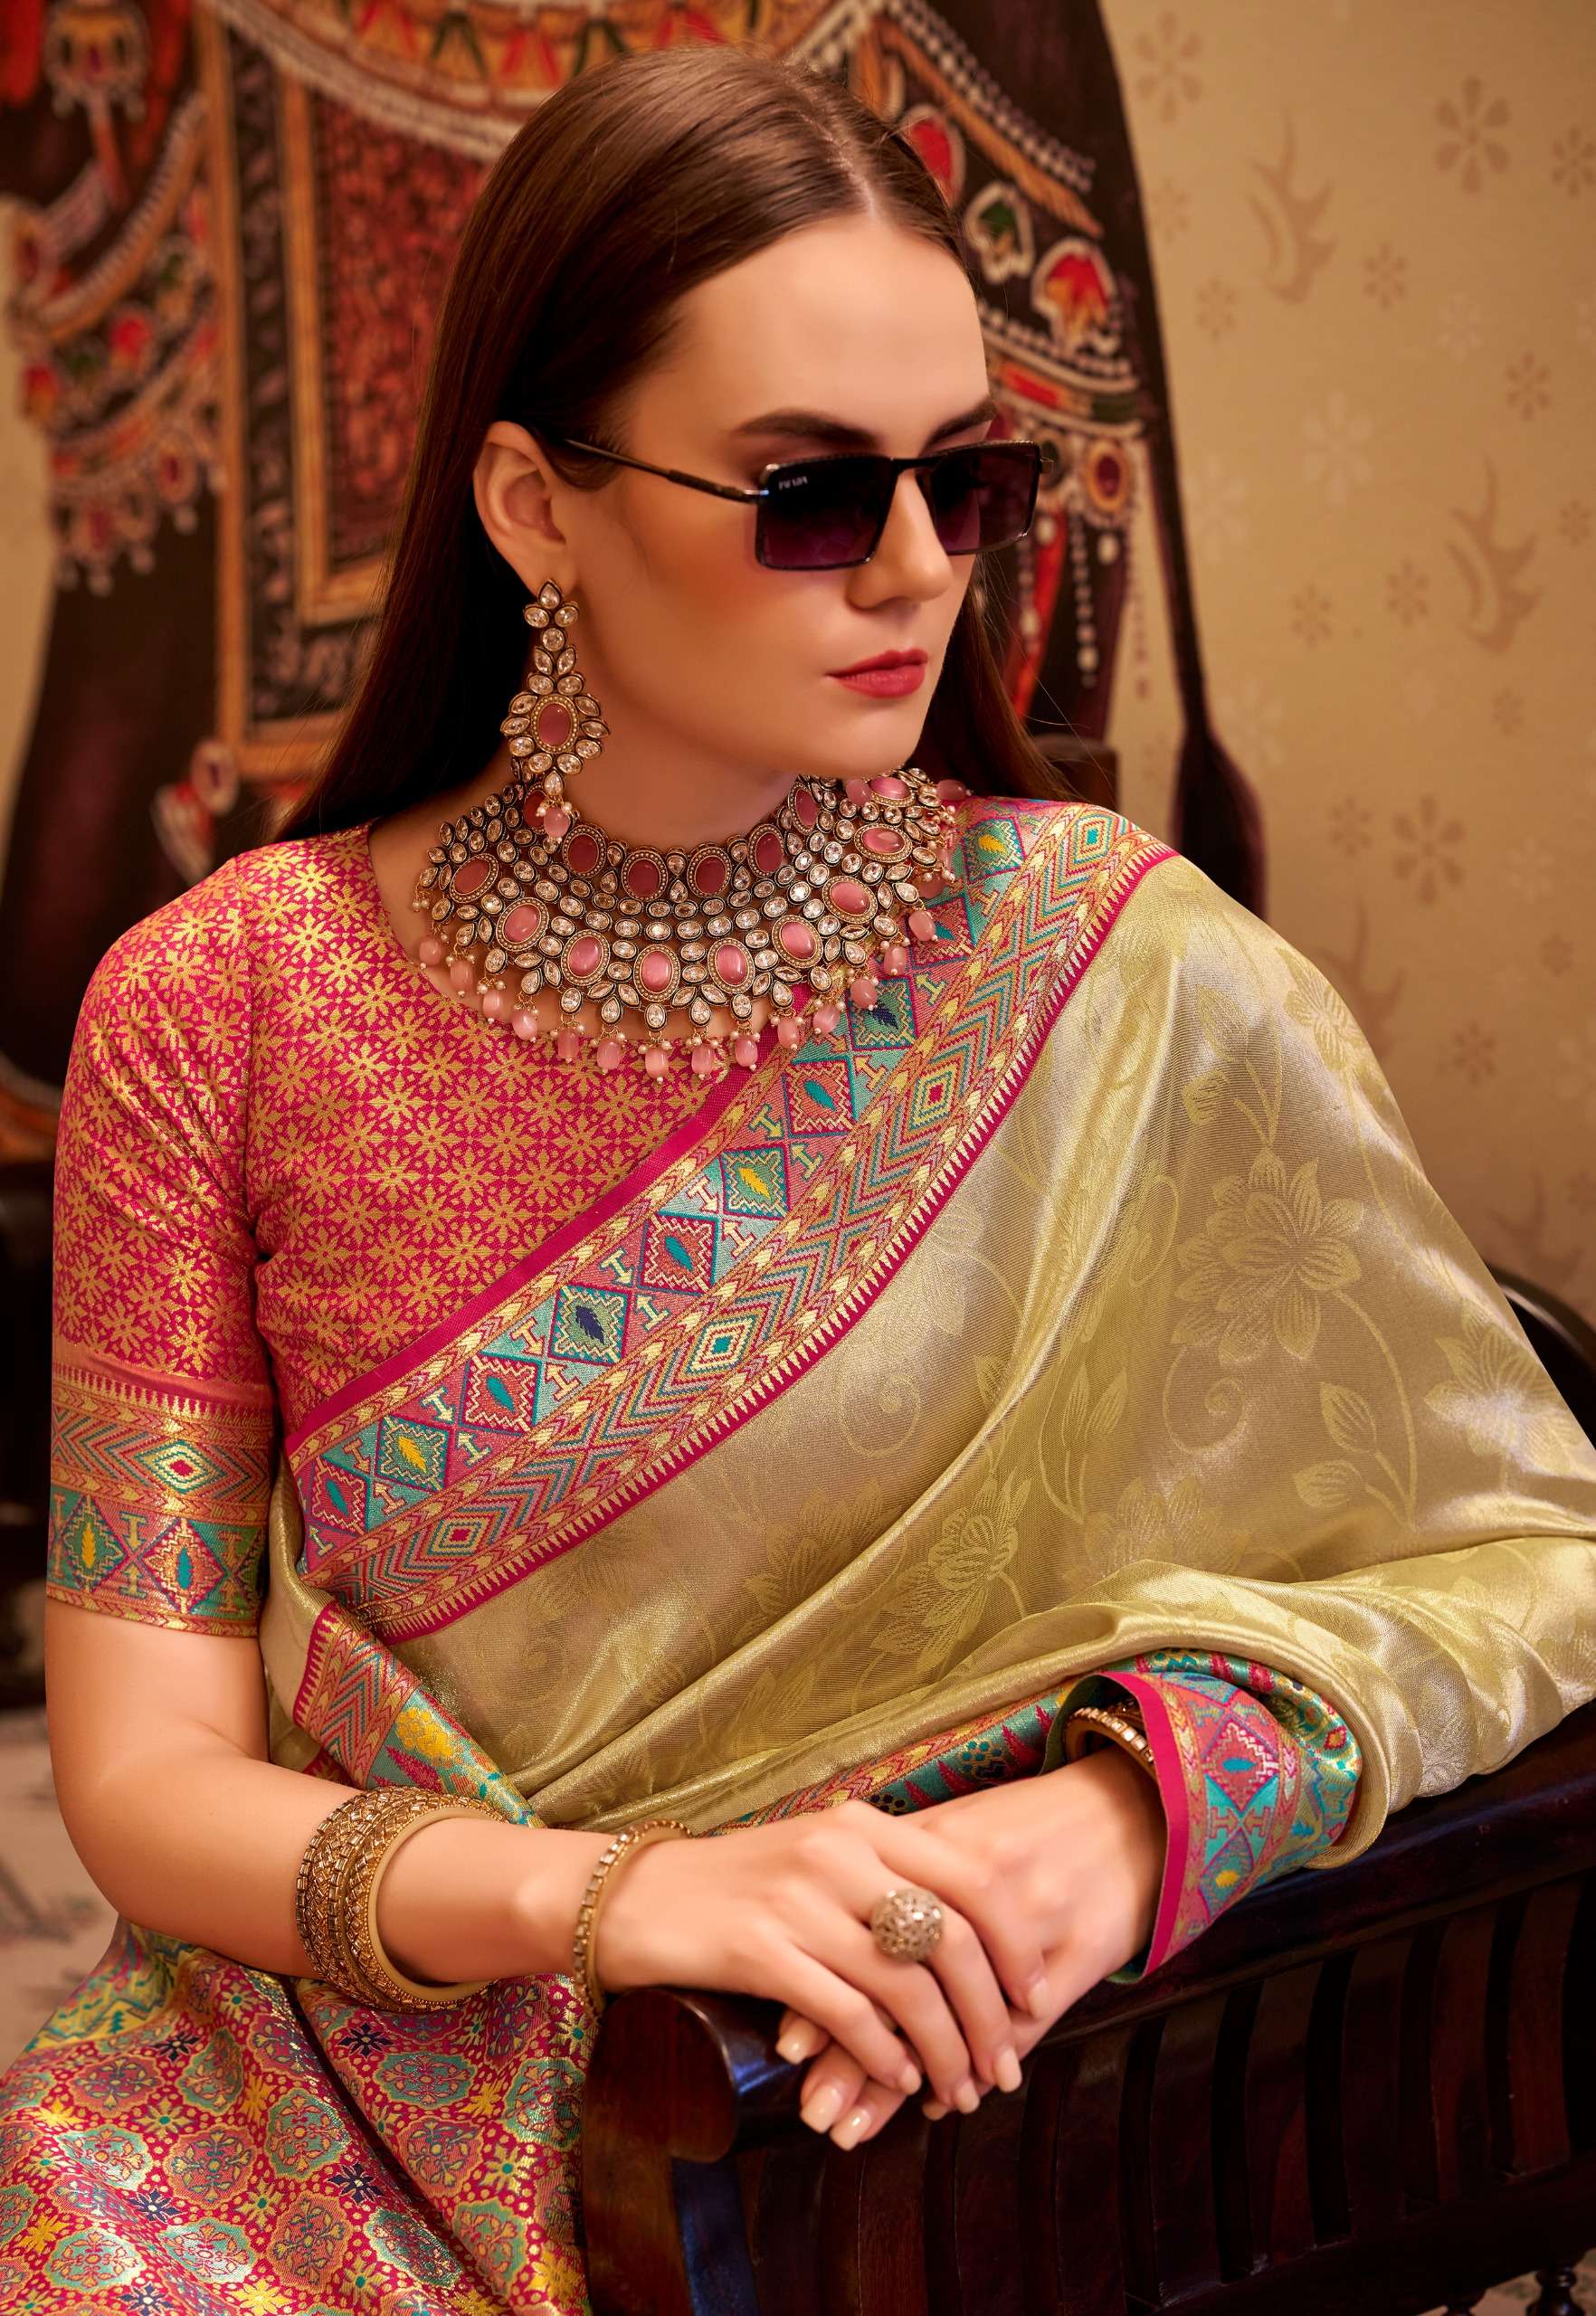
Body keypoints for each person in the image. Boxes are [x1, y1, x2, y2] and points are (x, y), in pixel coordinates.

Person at [6, 43, 1594, 2316]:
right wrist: (616, 1896)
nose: (925, 570)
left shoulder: (1119, 969)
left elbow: (1529, 1550)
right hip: (332, 2082)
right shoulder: (222, 1009)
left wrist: (1131, 1811)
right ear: (535, 505)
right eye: (813, 492)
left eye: (969, 479)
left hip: (925, 2108)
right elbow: (146, 1780)